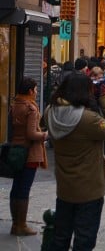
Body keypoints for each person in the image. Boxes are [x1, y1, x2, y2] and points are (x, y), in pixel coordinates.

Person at [45, 73, 105, 250]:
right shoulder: (87, 119)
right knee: (84, 238)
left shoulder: (50, 112)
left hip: (65, 186)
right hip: (89, 188)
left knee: (60, 237)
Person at [9, 77, 48, 236]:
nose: (37, 92)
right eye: (36, 89)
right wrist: (45, 135)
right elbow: (31, 134)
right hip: (30, 152)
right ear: (31, 90)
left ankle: (15, 223)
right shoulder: (30, 108)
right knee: (24, 189)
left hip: (16, 150)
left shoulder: (15, 105)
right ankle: (21, 225)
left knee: (16, 187)